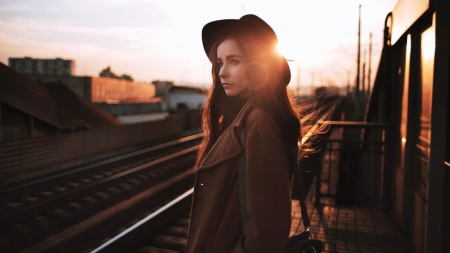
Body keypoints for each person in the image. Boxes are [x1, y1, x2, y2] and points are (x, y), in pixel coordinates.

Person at [185, 14, 301, 253]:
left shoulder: (259, 123)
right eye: (219, 63)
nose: (222, 72)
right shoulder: (243, 119)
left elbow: (267, 232)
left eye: (234, 61)